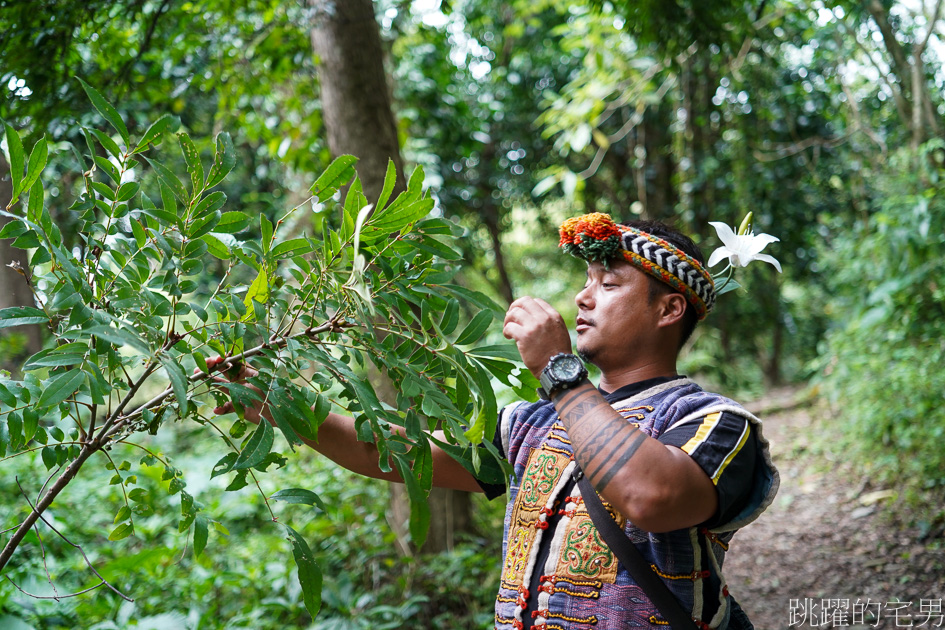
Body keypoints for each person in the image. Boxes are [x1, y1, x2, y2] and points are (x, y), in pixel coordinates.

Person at [210, 212, 779, 630]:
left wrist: (560, 372)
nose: (583, 299)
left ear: (668, 309)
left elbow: (651, 496)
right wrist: (271, 401)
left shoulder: (712, 423)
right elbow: (390, 452)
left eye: (608, 284)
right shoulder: (531, 426)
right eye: (584, 283)